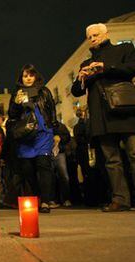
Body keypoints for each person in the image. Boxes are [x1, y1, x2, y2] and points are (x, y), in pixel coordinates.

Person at [71, 23, 135, 212]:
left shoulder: (124, 49)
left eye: (96, 35)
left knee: (134, 154)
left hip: (126, 111)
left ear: (106, 34)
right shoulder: (85, 63)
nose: (93, 39)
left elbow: (131, 68)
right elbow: (76, 91)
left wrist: (105, 68)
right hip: (102, 117)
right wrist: (81, 77)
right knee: (111, 160)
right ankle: (120, 199)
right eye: (89, 37)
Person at [8, 64, 58, 213]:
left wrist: (54, 131)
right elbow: (12, 115)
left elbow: (52, 111)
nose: (28, 78)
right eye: (25, 75)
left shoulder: (44, 91)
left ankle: (46, 201)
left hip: (43, 133)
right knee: (28, 169)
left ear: (35, 76)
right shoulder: (17, 93)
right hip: (25, 135)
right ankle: (36, 196)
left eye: (31, 75)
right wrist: (16, 104)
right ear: (21, 78)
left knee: (44, 165)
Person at [52, 121, 72, 207]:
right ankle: (53, 199)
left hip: (60, 152)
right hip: (48, 152)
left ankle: (66, 198)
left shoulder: (60, 126)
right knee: (51, 177)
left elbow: (67, 137)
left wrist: (60, 138)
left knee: (63, 176)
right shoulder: (44, 125)